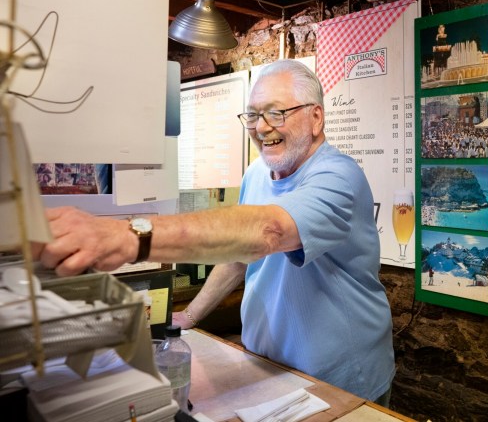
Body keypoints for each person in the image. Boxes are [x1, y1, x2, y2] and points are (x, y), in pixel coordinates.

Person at [37, 59, 395, 405]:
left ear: (315, 117)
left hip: (339, 378)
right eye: (253, 115)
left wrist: (128, 236)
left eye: (276, 112)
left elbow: (268, 231)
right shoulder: (258, 173)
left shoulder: (339, 176)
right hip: (269, 367)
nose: (262, 127)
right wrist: (190, 316)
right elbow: (240, 256)